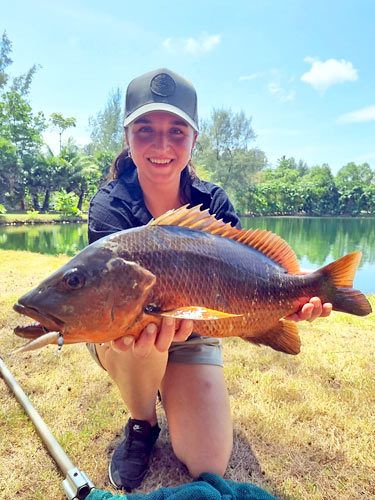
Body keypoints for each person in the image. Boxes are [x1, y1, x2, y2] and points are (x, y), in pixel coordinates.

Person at [87, 68, 332, 491]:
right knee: (134, 334)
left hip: (198, 330)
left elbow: (250, 275)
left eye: (177, 131)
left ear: (194, 139)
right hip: (130, 334)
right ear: (127, 136)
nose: (161, 145)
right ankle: (143, 421)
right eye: (145, 129)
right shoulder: (110, 205)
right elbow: (105, 295)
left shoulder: (212, 201)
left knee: (208, 461)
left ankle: (174, 385)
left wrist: (294, 297)